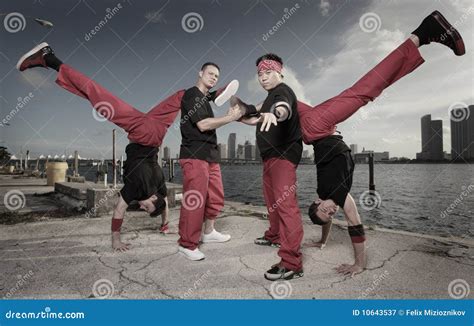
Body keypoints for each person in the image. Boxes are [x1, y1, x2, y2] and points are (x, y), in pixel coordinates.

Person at [237, 10, 465, 277]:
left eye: (267, 71)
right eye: (329, 215)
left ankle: (423, 33)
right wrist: (322, 241)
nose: (330, 211)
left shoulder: (281, 99)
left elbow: (282, 109)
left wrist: (358, 264)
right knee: (364, 93)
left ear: (317, 202)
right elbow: (261, 114)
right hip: (316, 130)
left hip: (316, 126)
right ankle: (420, 37)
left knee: (363, 92)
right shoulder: (328, 197)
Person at [16, 43, 238, 252]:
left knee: (180, 96)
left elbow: (165, 208)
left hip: (157, 128)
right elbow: (122, 209)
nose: (142, 208)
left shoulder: (159, 186)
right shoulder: (135, 188)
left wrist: (164, 225)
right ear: (152, 199)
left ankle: (211, 94)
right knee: (96, 93)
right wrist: (116, 239)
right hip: (143, 131)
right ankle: (48, 58)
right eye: (146, 208)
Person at [237, 54, 304, 281]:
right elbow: (251, 117)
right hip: (269, 157)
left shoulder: (282, 92)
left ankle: (292, 262)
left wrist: (274, 113)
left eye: (268, 72)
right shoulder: (267, 99)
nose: (263, 78)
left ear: (280, 73)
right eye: (259, 74)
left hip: (283, 155)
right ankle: (274, 235)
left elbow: (282, 108)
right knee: (272, 203)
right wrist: (236, 108)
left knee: (286, 206)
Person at [177, 62, 244, 261]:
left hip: (210, 154)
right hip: (194, 154)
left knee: (216, 196)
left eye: (216, 76)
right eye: (210, 73)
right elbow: (203, 124)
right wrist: (229, 118)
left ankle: (209, 232)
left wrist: (224, 95)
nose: (214, 77)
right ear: (200, 73)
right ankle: (186, 244)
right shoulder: (192, 95)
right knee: (195, 201)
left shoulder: (205, 98)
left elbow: (215, 96)